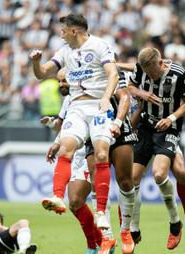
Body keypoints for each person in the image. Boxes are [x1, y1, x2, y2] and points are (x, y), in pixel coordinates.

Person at [29, 13, 119, 234]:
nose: (60, 34)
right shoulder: (64, 52)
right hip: (77, 107)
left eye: (63, 30)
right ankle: (58, 196)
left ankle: (100, 212)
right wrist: (35, 62)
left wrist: (107, 97)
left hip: (99, 105)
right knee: (65, 148)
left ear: (74, 30)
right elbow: (41, 74)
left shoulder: (99, 45)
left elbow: (113, 74)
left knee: (100, 155)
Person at [44, 68, 136, 254]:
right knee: (80, 196)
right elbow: (67, 125)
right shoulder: (73, 98)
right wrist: (56, 140)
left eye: (64, 80)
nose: (62, 84)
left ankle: (126, 230)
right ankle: (105, 239)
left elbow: (125, 97)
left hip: (117, 131)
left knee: (125, 181)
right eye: (60, 81)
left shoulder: (105, 78)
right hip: (90, 141)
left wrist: (118, 122)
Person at [124, 48, 185, 250]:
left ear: (160, 63)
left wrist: (170, 118)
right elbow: (131, 86)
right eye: (146, 73)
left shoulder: (179, 74)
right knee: (131, 179)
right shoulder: (141, 69)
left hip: (168, 127)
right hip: (145, 126)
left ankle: (175, 223)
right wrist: (141, 92)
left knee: (160, 174)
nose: (150, 77)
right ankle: (133, 229)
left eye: (152, 72)